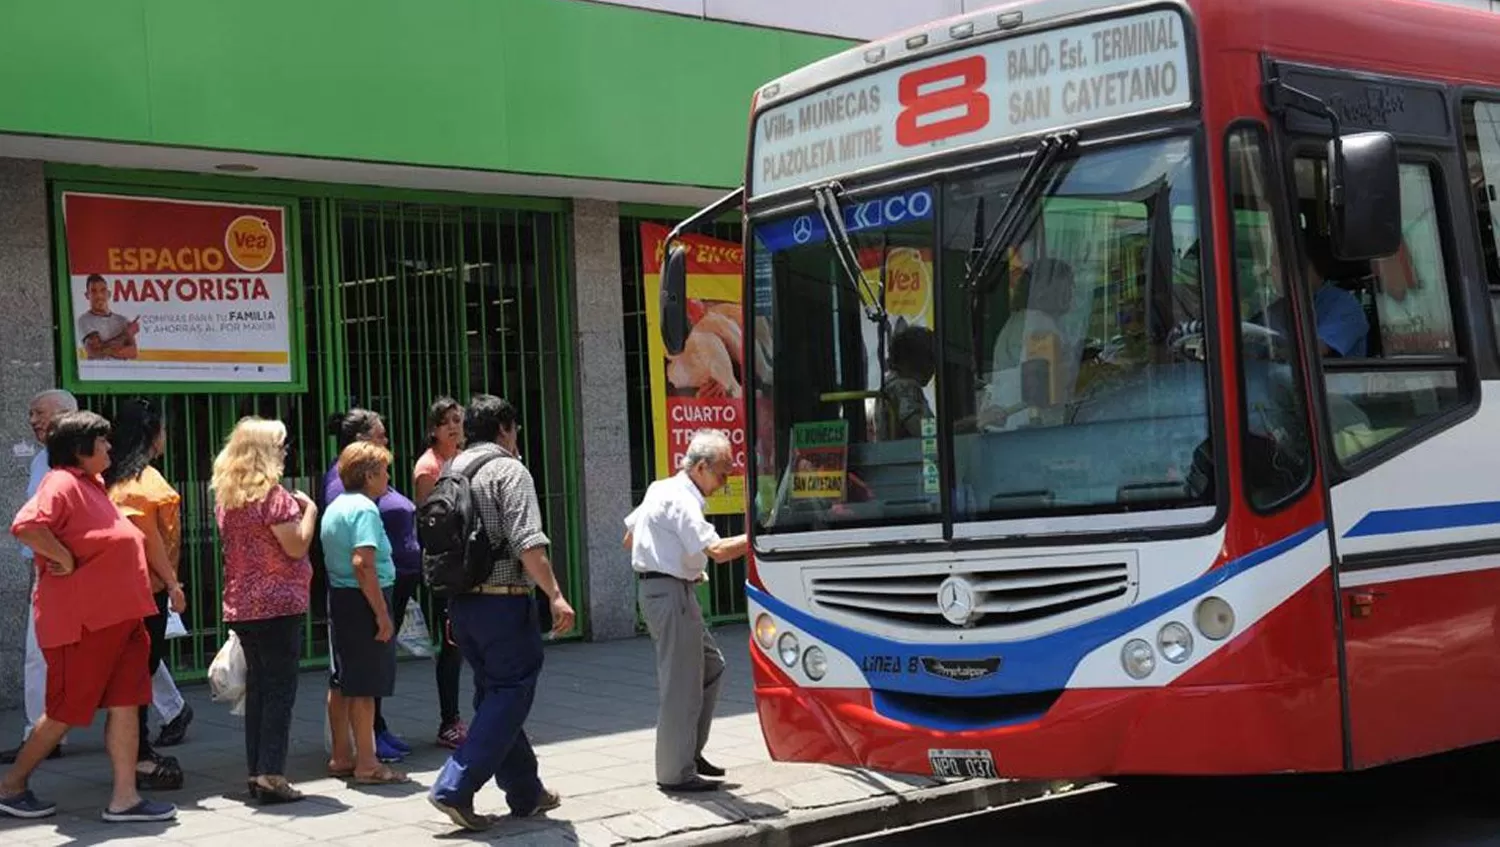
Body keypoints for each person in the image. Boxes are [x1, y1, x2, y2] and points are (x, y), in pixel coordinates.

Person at [3, 411, 176, 823]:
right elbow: (26, 525)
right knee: (65, 712)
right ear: (80, 449)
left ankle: (124, 799)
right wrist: (61, 556)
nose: (110, 449)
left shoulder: (93, 485)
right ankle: (11, 786)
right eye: (102, 442)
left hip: (122, 620)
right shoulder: (61, 482)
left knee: (127, 704)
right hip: (85, 624)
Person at [428, 394, 574, 832]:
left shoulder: (452, 469)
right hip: (503, 601)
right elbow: (527, 540)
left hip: (462, 604)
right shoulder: (509, 470)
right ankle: (455, 786)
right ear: (506, 428)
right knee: (511, 690)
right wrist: (555, 593)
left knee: (494, 693)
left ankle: (526, 791)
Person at [623, 429, 749, 793]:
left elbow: (629, 537)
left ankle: (689, 752)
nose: (725, 482)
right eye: (723, 473)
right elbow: (720, 551)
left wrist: (675, 563)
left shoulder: (660, 488)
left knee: (712, 667)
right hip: (669, 593)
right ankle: (675, 773)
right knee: (682, 686)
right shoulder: (683, 498)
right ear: (703, 466)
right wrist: (759, 535)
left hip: (669, 588)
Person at [213, 417, 317, 805]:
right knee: (278, 691)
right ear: (265, 451)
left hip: (243, 605)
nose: (286, 452)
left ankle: (258, 771)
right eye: (282, 445)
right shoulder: (274, 497)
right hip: (277, 605)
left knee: (258, 690)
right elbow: (296, 546)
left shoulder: (229, 497)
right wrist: (310, 509)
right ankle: (271, 773)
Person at [322, 409, 418, 762]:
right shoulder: (362, 508)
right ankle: (367, 761)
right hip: (361, 601)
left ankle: (343, 755)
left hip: (345, 598)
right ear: (369, 474)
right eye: (384, 471)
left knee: (344, 680)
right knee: (363, 686)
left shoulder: (338, 505)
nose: (388, 478)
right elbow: (362, 563)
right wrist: (382, 614)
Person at [103, 398, 187, 792]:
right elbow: (150, 540)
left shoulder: (114, 478)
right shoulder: (142, 483)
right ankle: (136, 756)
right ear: (153, 435)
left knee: (135, 674)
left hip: (122, 591)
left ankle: (134, 750)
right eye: (164, 430)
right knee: (137, 675)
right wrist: (172, 584)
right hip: (145, 592)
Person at [0, 389, 78, 766]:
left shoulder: (86, 460)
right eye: (31, 413)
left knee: (119, 647)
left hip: (79, 572)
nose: (33, 420)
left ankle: (171, 707)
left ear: (65, 415)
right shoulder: (39, 461)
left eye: (39, 413)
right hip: (46, 571)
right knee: (37, 655)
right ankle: (38, 734)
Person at [411, 396, 468, 749]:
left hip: (466, 562)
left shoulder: (463, 460)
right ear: (433, 429)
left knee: (464, 644)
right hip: (445, 566)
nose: (454, 427)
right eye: (447, 421)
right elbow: (429, 522)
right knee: (450, 646)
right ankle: (449, 721)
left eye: (458, 420)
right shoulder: (428, 468)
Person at [78, 274, 139, 360]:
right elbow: (95, 351)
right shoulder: (84, 320)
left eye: (103, 290)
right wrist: (126, 335)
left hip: (124, 372)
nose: (99, 295)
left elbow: (133, 353)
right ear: (87, 295)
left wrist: (106, 348)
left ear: (109, 294)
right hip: (98, 372)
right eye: (93, 291)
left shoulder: (122, 320)